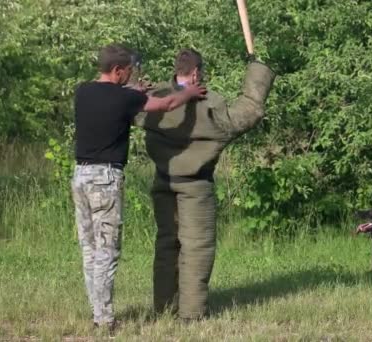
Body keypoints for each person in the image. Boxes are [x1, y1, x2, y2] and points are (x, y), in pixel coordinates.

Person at [71, 43, 206, 332]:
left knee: (90, 249)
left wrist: (134, 92)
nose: (132, 76)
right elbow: (166, 105)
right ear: (117, 71)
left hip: (80, 176)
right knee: (107, 251)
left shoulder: (83, 91)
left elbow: (114, 100)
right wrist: (189, 93)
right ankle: (105, 321)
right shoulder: (124, 99)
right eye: (129, 72)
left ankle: (98, 312)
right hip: (105, 179)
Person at [134, 48, 275, 321]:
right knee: (196, 247)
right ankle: (192, 313)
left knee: (166, 244)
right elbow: (250, 111)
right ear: (197, 72)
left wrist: (135, 73)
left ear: (176, 70)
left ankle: (164, 308)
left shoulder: (155, 99)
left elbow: (126, 102)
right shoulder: (211, 105)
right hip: (196, 185)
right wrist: (257, 69)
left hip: (163, 180)